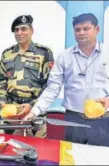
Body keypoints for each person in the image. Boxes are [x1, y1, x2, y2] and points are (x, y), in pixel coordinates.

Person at [23, 13, 109, 146]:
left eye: (86, 28)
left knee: (101, 159)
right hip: (73, 120)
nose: (81, 33)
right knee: (71, 158)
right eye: (77, 29)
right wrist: (35, 111)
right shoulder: (64, 56)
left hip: (102, 121)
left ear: (97, 29)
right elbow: (52, 88)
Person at [0, 15, 54, 138]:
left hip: (35, 112)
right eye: (16, 30)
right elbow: (1, 83)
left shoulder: (44, 53)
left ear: (32, 31)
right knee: (6, 148)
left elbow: (49, 85)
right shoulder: (7, 54)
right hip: (10, 111)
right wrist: (3, 103)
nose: (19, 33)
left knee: (38, 151)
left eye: (23, 29)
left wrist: (32, 106)